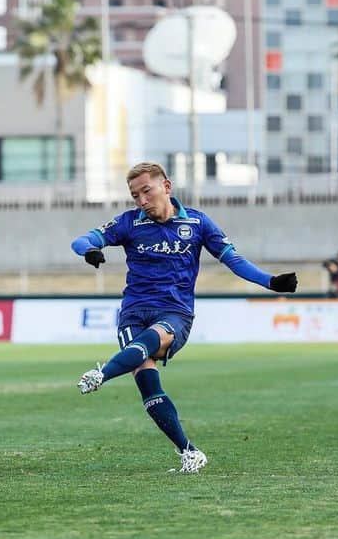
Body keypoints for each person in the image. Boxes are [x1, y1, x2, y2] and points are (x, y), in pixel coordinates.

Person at [69, 162, 298, 473]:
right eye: (135, 195)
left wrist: (271, 282)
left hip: (175, 313)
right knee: (149, 386)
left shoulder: (198, 223)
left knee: (149, 343)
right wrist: (90, 251)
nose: (141, 200)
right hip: (133, 312)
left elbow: (234, 260)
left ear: (166, 186)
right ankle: (189, 452)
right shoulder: (128, 223)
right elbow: (81, 240)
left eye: (146, 191)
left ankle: (101, 374)